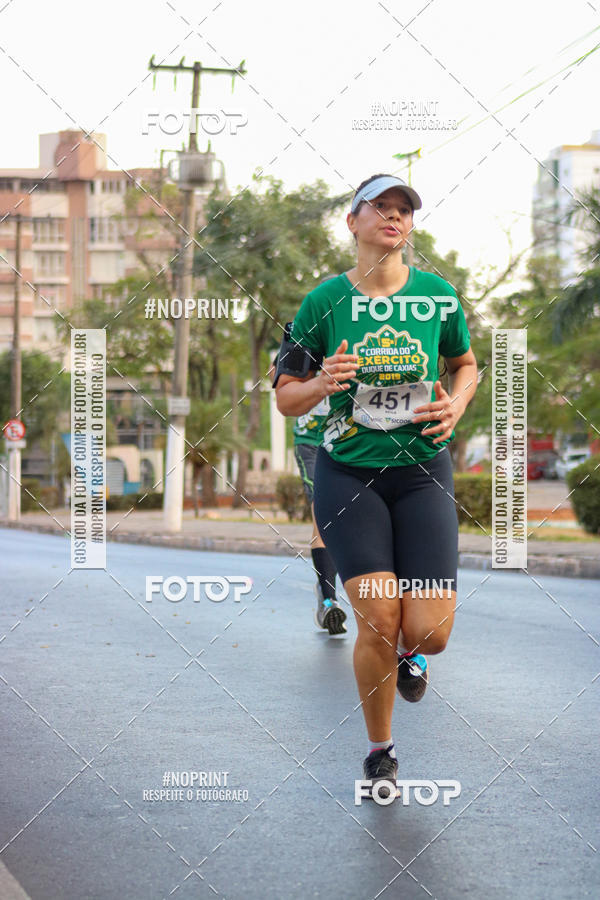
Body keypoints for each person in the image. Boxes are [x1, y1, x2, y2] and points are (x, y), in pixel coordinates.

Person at [275, 173, 478, 799]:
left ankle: (411, 657)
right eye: (380, 208)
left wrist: (457, 405)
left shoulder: (438, 298)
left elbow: (464, 364)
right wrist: (321, 384)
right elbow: (285, 396)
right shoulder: (323, 301)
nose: (393, 217)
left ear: (410, 226)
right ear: (354, 223)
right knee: (378, 618)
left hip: (422, 474)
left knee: (430, 632)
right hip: (349, 474)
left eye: (403, 210)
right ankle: (380, 750)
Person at [270, 354, 347, 635]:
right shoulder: (305, 338)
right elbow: (276, 378)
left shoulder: (350, 335)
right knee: (322, 515)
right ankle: (328, 600)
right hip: (311, 444)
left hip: (345, 439)